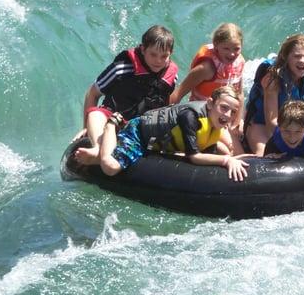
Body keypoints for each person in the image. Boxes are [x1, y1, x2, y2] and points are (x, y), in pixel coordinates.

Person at [74, 25, 178, 165]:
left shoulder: (171, 76)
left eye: (164, 56)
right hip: (112, 120)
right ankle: (98, 149)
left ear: (171, 53)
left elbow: (164, 103)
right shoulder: (121, 68)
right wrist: (86, 128)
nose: (158, 61)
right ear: (143, 49)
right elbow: (92, 94)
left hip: (141, 126)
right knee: (95, 114)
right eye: (153, 54)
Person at [98, 86, 249, 182]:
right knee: (110, 167)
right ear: (210, 104)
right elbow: (194, 157)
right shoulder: (190, 117)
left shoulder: (215, 122)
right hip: (139, 134)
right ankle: (112, 124)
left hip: (159, 144)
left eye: (233, 112)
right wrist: (226, 161)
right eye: (224, 108)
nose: (228, 115)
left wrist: (235, 158)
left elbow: (210, 146)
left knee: (223, 149)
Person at [244, 34, 304, 156]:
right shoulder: (273, 80)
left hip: (292, 125)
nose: (302, 60)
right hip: (261, 126)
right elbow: (271, 123)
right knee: (263, 156)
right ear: (286, 57)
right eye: (297, 56)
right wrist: (296, 136)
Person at [169, 22, 245, 155]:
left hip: (225, 114)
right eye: (226, 48)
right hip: (204, 116)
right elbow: (178, 94)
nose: (232, 54)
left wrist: (236, 122)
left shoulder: (239, 63)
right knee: (230, 150)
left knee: (237, 139)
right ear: (216, 46)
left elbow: (239, 94)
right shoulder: (206, 69)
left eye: (236, 48)